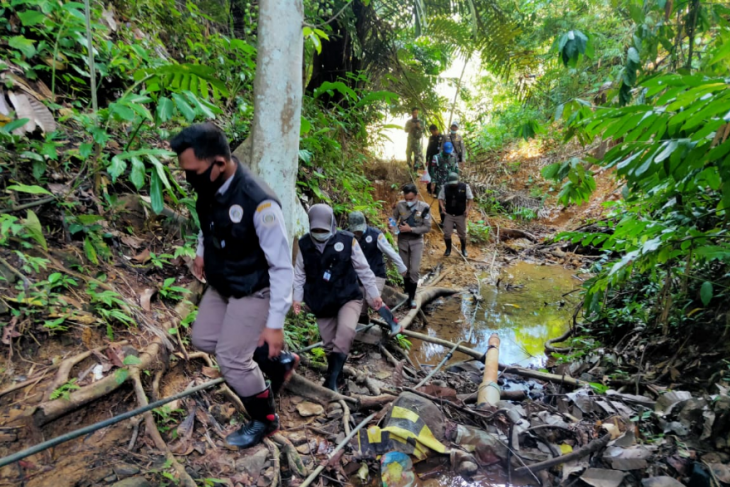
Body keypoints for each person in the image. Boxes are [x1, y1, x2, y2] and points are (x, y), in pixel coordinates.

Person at [170, 123, 298, 450]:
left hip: (254, 288)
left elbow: (282, 266)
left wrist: (274, 324)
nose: (189, 178)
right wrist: (201, 253)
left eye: (193, 171)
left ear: (220, 164)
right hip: (222, 283)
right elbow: (206, 224)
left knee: (231, 359)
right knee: (203, 338)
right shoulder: (208, 186)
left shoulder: (260, 203)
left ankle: (264, 419)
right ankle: (274, 363)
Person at [293, 204, 383, 391]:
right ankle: (339, 378)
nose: (319, 233)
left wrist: (374, 295)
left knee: (346, 332)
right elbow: (299, 273)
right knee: (328, 344)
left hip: (347, 296)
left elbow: (364, 270)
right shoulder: (304, 244)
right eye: (315, 230)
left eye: (323, 230)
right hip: (321, 300)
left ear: (332, 225)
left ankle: (330, 381)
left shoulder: (348, 240)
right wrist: (297, 298)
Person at [347, 211, 407, 323]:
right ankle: (364, 328)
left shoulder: (375, 235)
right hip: (357, 277)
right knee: (360, 305)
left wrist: (401, 267)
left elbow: (390, 252)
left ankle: (394, 323)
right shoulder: (346, 236)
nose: (358, 232)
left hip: (376, 274)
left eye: (359, 229)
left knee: (372, 300)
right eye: (355, 230)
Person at [391, 184, 432, 309]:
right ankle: (406, 292)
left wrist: (411, 229)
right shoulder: (400, 205)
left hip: (416, 242)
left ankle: (412, 298)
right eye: (406, 199)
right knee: (405, 269)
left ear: (416, 196)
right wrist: (393, 227)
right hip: (403, 241)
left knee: (414, 270)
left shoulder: (424, 207)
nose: (408, 202)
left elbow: (427, 227)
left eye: (411, 199)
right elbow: (393, 218)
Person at [438, 172, 474, 257]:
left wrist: (468, 209)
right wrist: (442, 207)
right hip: (449, 214)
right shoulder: (445, 187)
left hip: (460, 214)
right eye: (451, 184)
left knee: (462, 233)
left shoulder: (465, 187)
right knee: (447, 232)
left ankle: (463, 249)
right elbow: (440, 198)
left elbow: (470, 198)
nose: (453, 185)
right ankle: (448, 249)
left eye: (454, 183)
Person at [430, 141, 459, 224]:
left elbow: (456, 169)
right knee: (442, 201)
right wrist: (433, 182)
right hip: (441, 183)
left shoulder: (454, 157)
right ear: (443, 150)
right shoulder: (436, 157)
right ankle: (443, 220)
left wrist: (457, 181)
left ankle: (451, 220)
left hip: (452, 183)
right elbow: (433, 171)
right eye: (446, 152)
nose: (448, 154)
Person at [425, 124, 444, 195]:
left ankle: (436, 190)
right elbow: (428, 148)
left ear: (435, 130)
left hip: (439, 158)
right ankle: (429, 189)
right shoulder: (431, 138)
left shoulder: (442, 137)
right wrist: (427, 158)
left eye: (432, 131)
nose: (432, 133)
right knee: (430, 172)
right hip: (432, 158)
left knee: (438, 173)